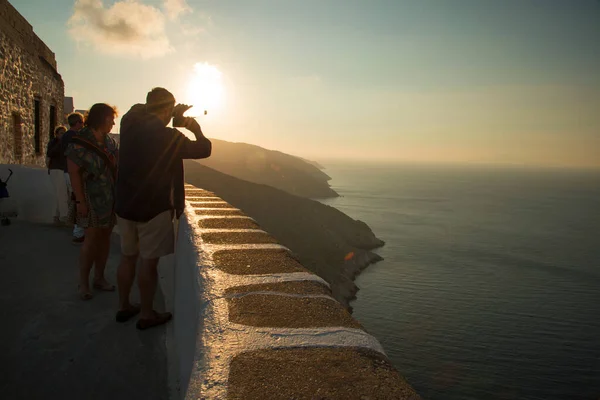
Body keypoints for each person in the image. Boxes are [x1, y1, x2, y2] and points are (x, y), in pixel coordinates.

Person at [115, 87, 212, 330]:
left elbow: (141, 108)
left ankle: (124, 305)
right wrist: (191, 126)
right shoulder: (168, 137)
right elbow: (204, 149)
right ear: (168, 110)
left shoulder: (129, 122)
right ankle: (147, 314)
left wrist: (167, 111)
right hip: (153, 209)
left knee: (127, 258)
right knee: (148, 264)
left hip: (125, 204)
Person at [65, 104, 119, 300]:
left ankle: (99, 278)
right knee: (91, 239)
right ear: (101, 118)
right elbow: (74, 173)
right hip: (90, 197)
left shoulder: (110, 143)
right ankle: (83, 283)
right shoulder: (79, 141)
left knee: (105, 239)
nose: (113, 123)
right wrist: (81, 202)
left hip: (108, 197)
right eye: (111, 119)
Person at [62, 112, 86, 244]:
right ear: (77, 123)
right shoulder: (73, 137)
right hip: (72, 172)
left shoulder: (67, 136)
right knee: (78, 199)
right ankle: (78, 231)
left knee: (75, 198)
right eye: (81, 122)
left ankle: (78, 230)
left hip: (68, 171)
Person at [46, 125, 69, 225]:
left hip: (62, 169)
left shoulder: (64, 143)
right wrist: (60, 143)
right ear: (56, 134)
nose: (63, 135)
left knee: (59, 193)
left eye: (64, 133)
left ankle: (56, 216)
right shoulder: (54, 143)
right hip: (56, 169)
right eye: (61, 133)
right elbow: (50, 153)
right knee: (61, 193)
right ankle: (64, 216)